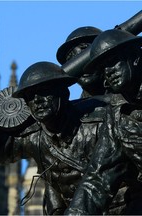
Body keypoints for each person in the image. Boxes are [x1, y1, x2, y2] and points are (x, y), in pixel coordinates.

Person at [0, 61, 130, 215]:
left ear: (64, 93)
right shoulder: (32, 135)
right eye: (30, 97)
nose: (37, 101)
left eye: (44, 94)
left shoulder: (103, 119)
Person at [65, 29, 142, 215]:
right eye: (104, 67)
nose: (108, 71)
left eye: (113, 62)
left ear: (135, 58)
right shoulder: (117, 115)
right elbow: (97, 180)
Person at [56, 26, 105, 98]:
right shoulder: (74, 108)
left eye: (86, 58)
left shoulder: (126, 97)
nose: (84, 68)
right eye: (76, 63)